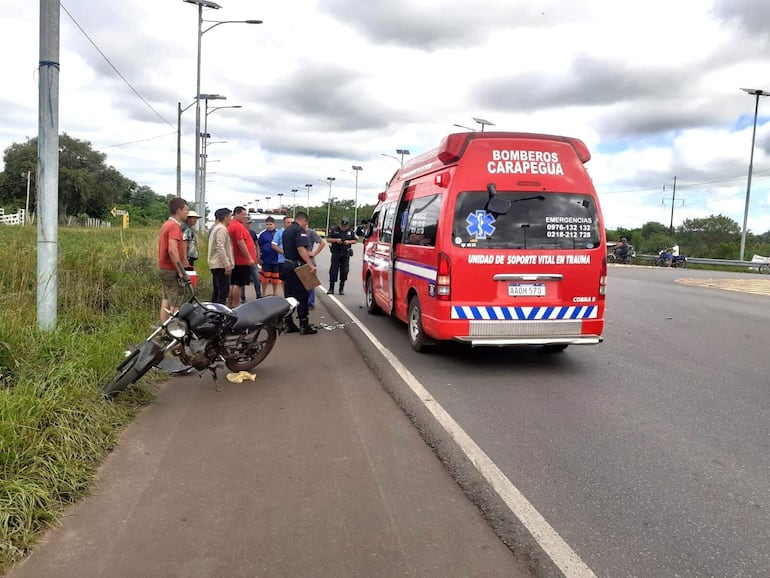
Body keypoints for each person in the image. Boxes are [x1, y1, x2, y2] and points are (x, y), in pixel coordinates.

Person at [280, 211, 317, 335]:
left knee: (289, 295)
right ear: (304, 221)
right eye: (306, 223)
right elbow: (301, 249)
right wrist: (310, 264)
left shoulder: (287, 231)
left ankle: (288, 323)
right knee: (302, 295)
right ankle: (304, 325)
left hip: (287, 265)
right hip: (297, 267)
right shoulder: (299, 230)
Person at [157, 197, 189, 323]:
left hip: (164, 267)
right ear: (178, 210)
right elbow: (172, 250)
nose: (187, 212)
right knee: (176, 301)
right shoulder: (174, 226)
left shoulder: (166, 225)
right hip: (171, 269)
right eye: (186, 209)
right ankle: (175, 332)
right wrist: (180, 270)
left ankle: (164, 329)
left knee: (166, 299)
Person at [228, 206, 259, 308]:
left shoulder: (233, 225)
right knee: (238, 284)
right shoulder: (237, 226)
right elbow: (241, 243)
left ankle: (232, 304)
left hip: (237, 259)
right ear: (236, 214)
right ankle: (236, 305)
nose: (245, 217)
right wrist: (249, 257)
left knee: (234, 283)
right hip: (241, 260)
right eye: (243, 215)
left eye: (246, 215)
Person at [208, 207, 234, 304]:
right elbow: (220, 247)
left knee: (217, 292)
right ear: (226, 217)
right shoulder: (221, 229)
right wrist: (227, 264)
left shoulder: (215, 228)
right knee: (222, 292)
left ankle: (213, 312)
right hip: (220, 265)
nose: (231, 219)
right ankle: (219, 314)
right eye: (230, 216)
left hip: (215, 264)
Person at [327, 215, 357, 295]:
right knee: (333, 270)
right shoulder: (334, 229)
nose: (344, 228)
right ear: (340, 224)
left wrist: (348, 242)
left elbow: (355, 240)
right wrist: (336, 240)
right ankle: (331, 287)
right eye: (342, 226)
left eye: (345, 226)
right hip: (336, 252)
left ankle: (341, 288)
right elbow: (328, 239)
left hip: (346, 253)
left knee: (344, 271)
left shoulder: (350, 231)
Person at [257, 216, 282, 297]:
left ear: (274, 224)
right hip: (266, 260)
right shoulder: (263, 234)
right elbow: (258, 246)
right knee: (265, 278)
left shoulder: (278, 233)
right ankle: (263, 293)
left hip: (276, 259)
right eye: (267, 224)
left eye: (270, 224)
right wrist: (259, 257)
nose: (269, 226)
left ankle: (275, 293)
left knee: (276, 278)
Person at [305, 219, 327, 309]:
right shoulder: (297, 232)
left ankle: (310, 303)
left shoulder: (311, 232)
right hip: (299, 259)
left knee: (310, 283)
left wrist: (314, 253)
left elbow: (322, 243)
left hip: (310, 260)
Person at [240, 216, 262, 303]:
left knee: (256, 277)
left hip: (253, 259)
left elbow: (256, 244)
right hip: (242, 259)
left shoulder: (252, 233)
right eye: (248, 223)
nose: (249, 225)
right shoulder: (240, 232)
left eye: (250, 223)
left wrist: (258, 255)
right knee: (242, 278)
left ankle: (259, 294)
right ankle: (242, 296)